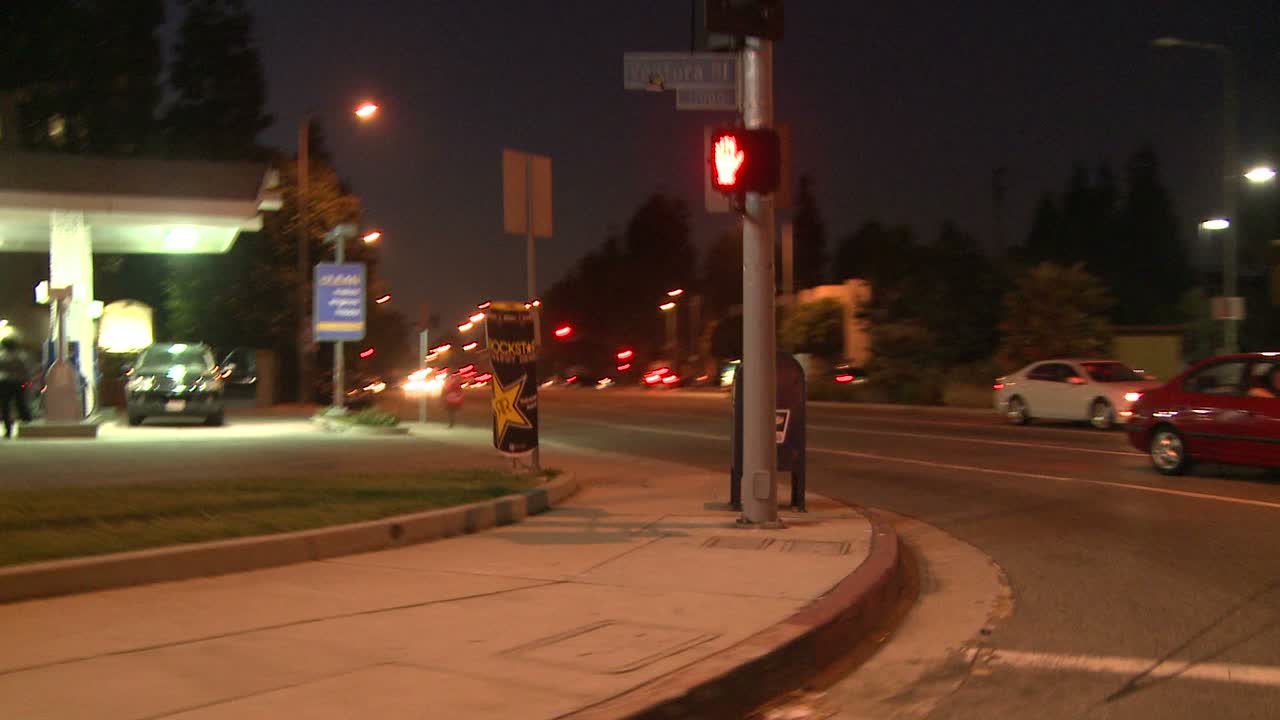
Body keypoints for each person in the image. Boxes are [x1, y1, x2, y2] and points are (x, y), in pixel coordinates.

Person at [0, 338, 34, 439]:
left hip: (4, 383)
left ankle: (8, 431)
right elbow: (27, 371)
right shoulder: (21, 356)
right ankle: (28, 427)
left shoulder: (1, 356)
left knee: (6, 407)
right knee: (21, 404)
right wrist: (28, 384)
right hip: (19, 383)